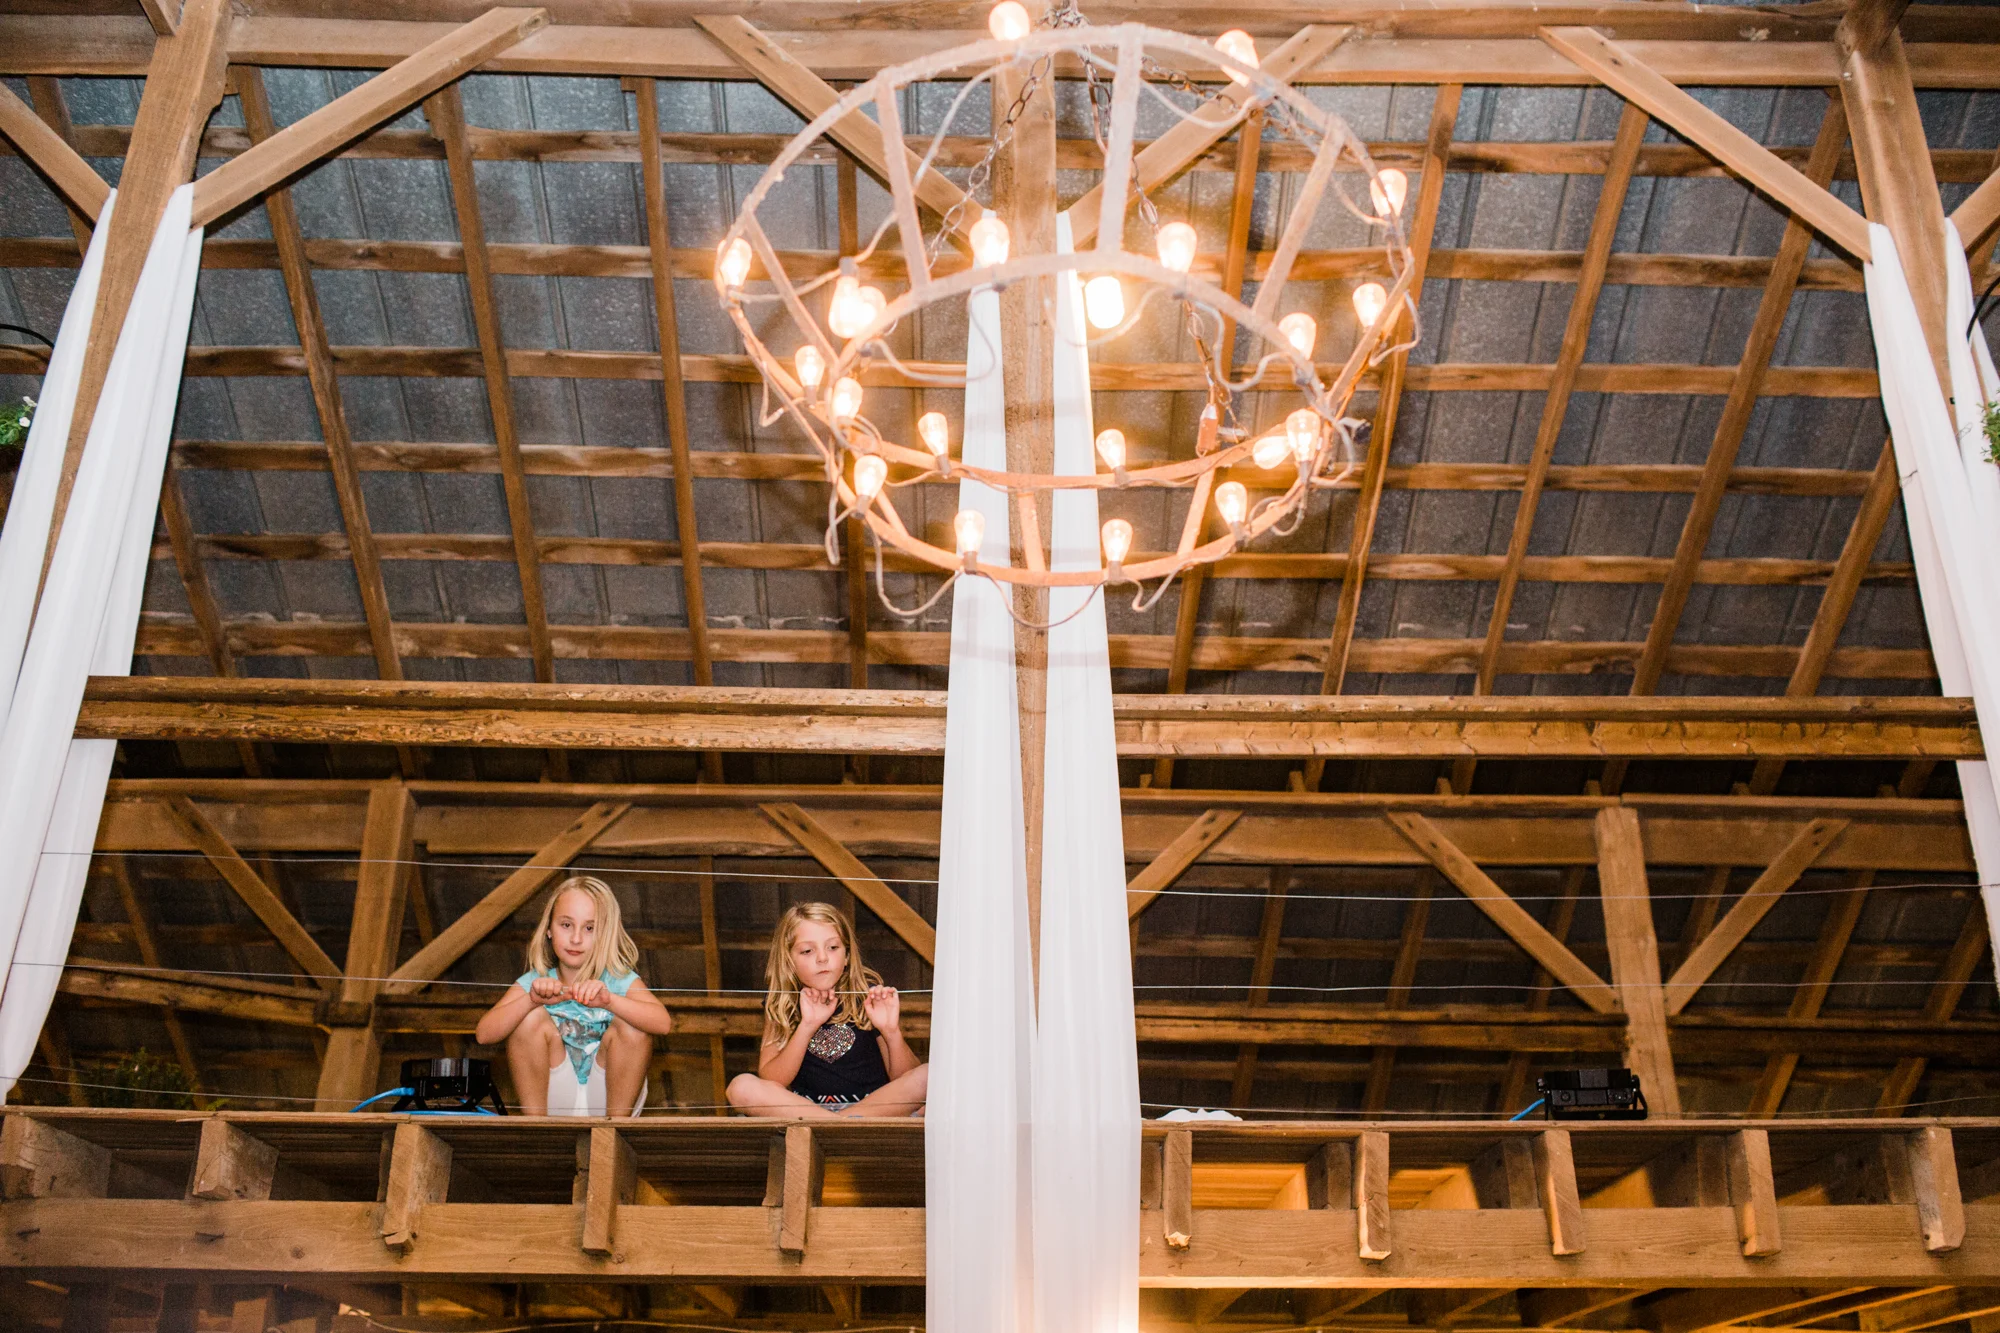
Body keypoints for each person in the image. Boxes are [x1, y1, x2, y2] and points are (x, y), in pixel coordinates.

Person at [473, 875, 673, 1116]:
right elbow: (484, 1034)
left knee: (634, 1025)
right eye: (566, 925)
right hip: (555, 1097)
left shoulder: (619, 980)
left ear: (604, 934)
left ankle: (614, 1131)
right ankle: (536, 1128)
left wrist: (610, 1001)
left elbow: (662, 1024)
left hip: (608, 1097)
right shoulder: (535, 982)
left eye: (589, 928)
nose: (576, 939)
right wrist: (531, 1000)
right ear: (549, 929)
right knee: (527, 1017)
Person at [726, 901, 926, 1117]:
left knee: (929, 1075)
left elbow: (906, 1079)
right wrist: (807, 1026)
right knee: (741, 1087)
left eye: (833, 947)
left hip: (871, 1111)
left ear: (847, 955)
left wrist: (891, 1031)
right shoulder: (781, 1001)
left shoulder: (867, 997)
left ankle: (838, 1125)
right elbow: (772, 1080)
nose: (822, 958)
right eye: (807, 951)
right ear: (789, 961)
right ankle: (838, 1125)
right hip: (808, 1113)